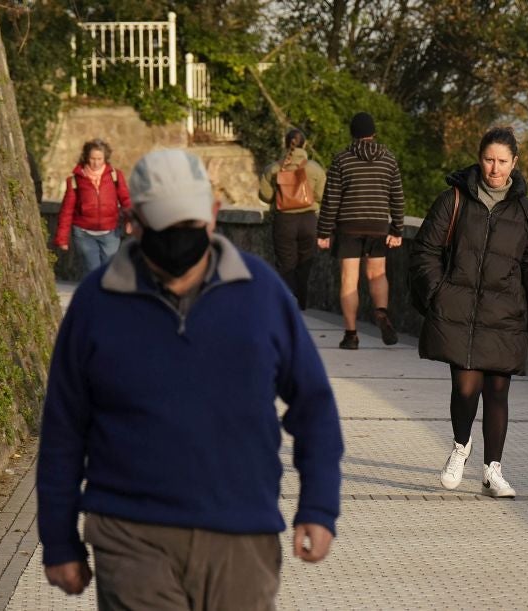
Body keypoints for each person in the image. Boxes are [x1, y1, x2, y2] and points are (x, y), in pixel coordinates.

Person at [37, 149, 344, 608]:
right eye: (165, 225)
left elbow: (313, 406)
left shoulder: (261, 294)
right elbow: (63, 429)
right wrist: (58, 540)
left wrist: (319, 506)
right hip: (130, 534)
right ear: (134, 220)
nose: (179, 237)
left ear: (213, 214)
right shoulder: (96, 304)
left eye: (189, 223)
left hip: (242, 534)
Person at [409, 127, 528, 497]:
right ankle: (461, 446)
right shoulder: (454, 200)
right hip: (459, 309)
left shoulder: (526, 211)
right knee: (465, 386)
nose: (495, 168)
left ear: (514, 163)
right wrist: (438, 292)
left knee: (497, 390)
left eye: (502, 161)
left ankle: (493, 470)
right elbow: (424, 249)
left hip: (506, 313)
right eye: (489, 159)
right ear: (479, 158)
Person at [316, 112, 405, 349]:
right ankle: (382, 313)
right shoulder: (388, 159)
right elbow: (397, 197)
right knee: (377, 274)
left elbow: (331, 199)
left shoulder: (342, 159)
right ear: (373, 133)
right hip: (378, 225)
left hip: (349, 227)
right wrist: (397, 229)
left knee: (349, 279)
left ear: (352, 133)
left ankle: (351, 335)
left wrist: (323, 232)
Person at [259, 128, 327, 309]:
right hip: (308, 221)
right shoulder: (315, 169)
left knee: (285, 264)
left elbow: (265, 196)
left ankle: (287, 302)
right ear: (304, 145)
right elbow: (321, 195)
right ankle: (302, 303)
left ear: (285, 144)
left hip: (284, 221)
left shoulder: (273, 169)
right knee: (305, 264)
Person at [53, 138, 132, 276]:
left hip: (111, 232)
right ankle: (95, 296)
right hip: (84, 234)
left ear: (105, 158)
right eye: (92, 158)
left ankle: (105, 297)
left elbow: (126, 200)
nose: (95, 163)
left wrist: (130, 220)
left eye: (99, 159)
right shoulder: (75, 180)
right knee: (93, 270)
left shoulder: (115, 176)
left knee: (109, 272)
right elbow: (67, 210)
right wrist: (62, 238)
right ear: (86, 158)